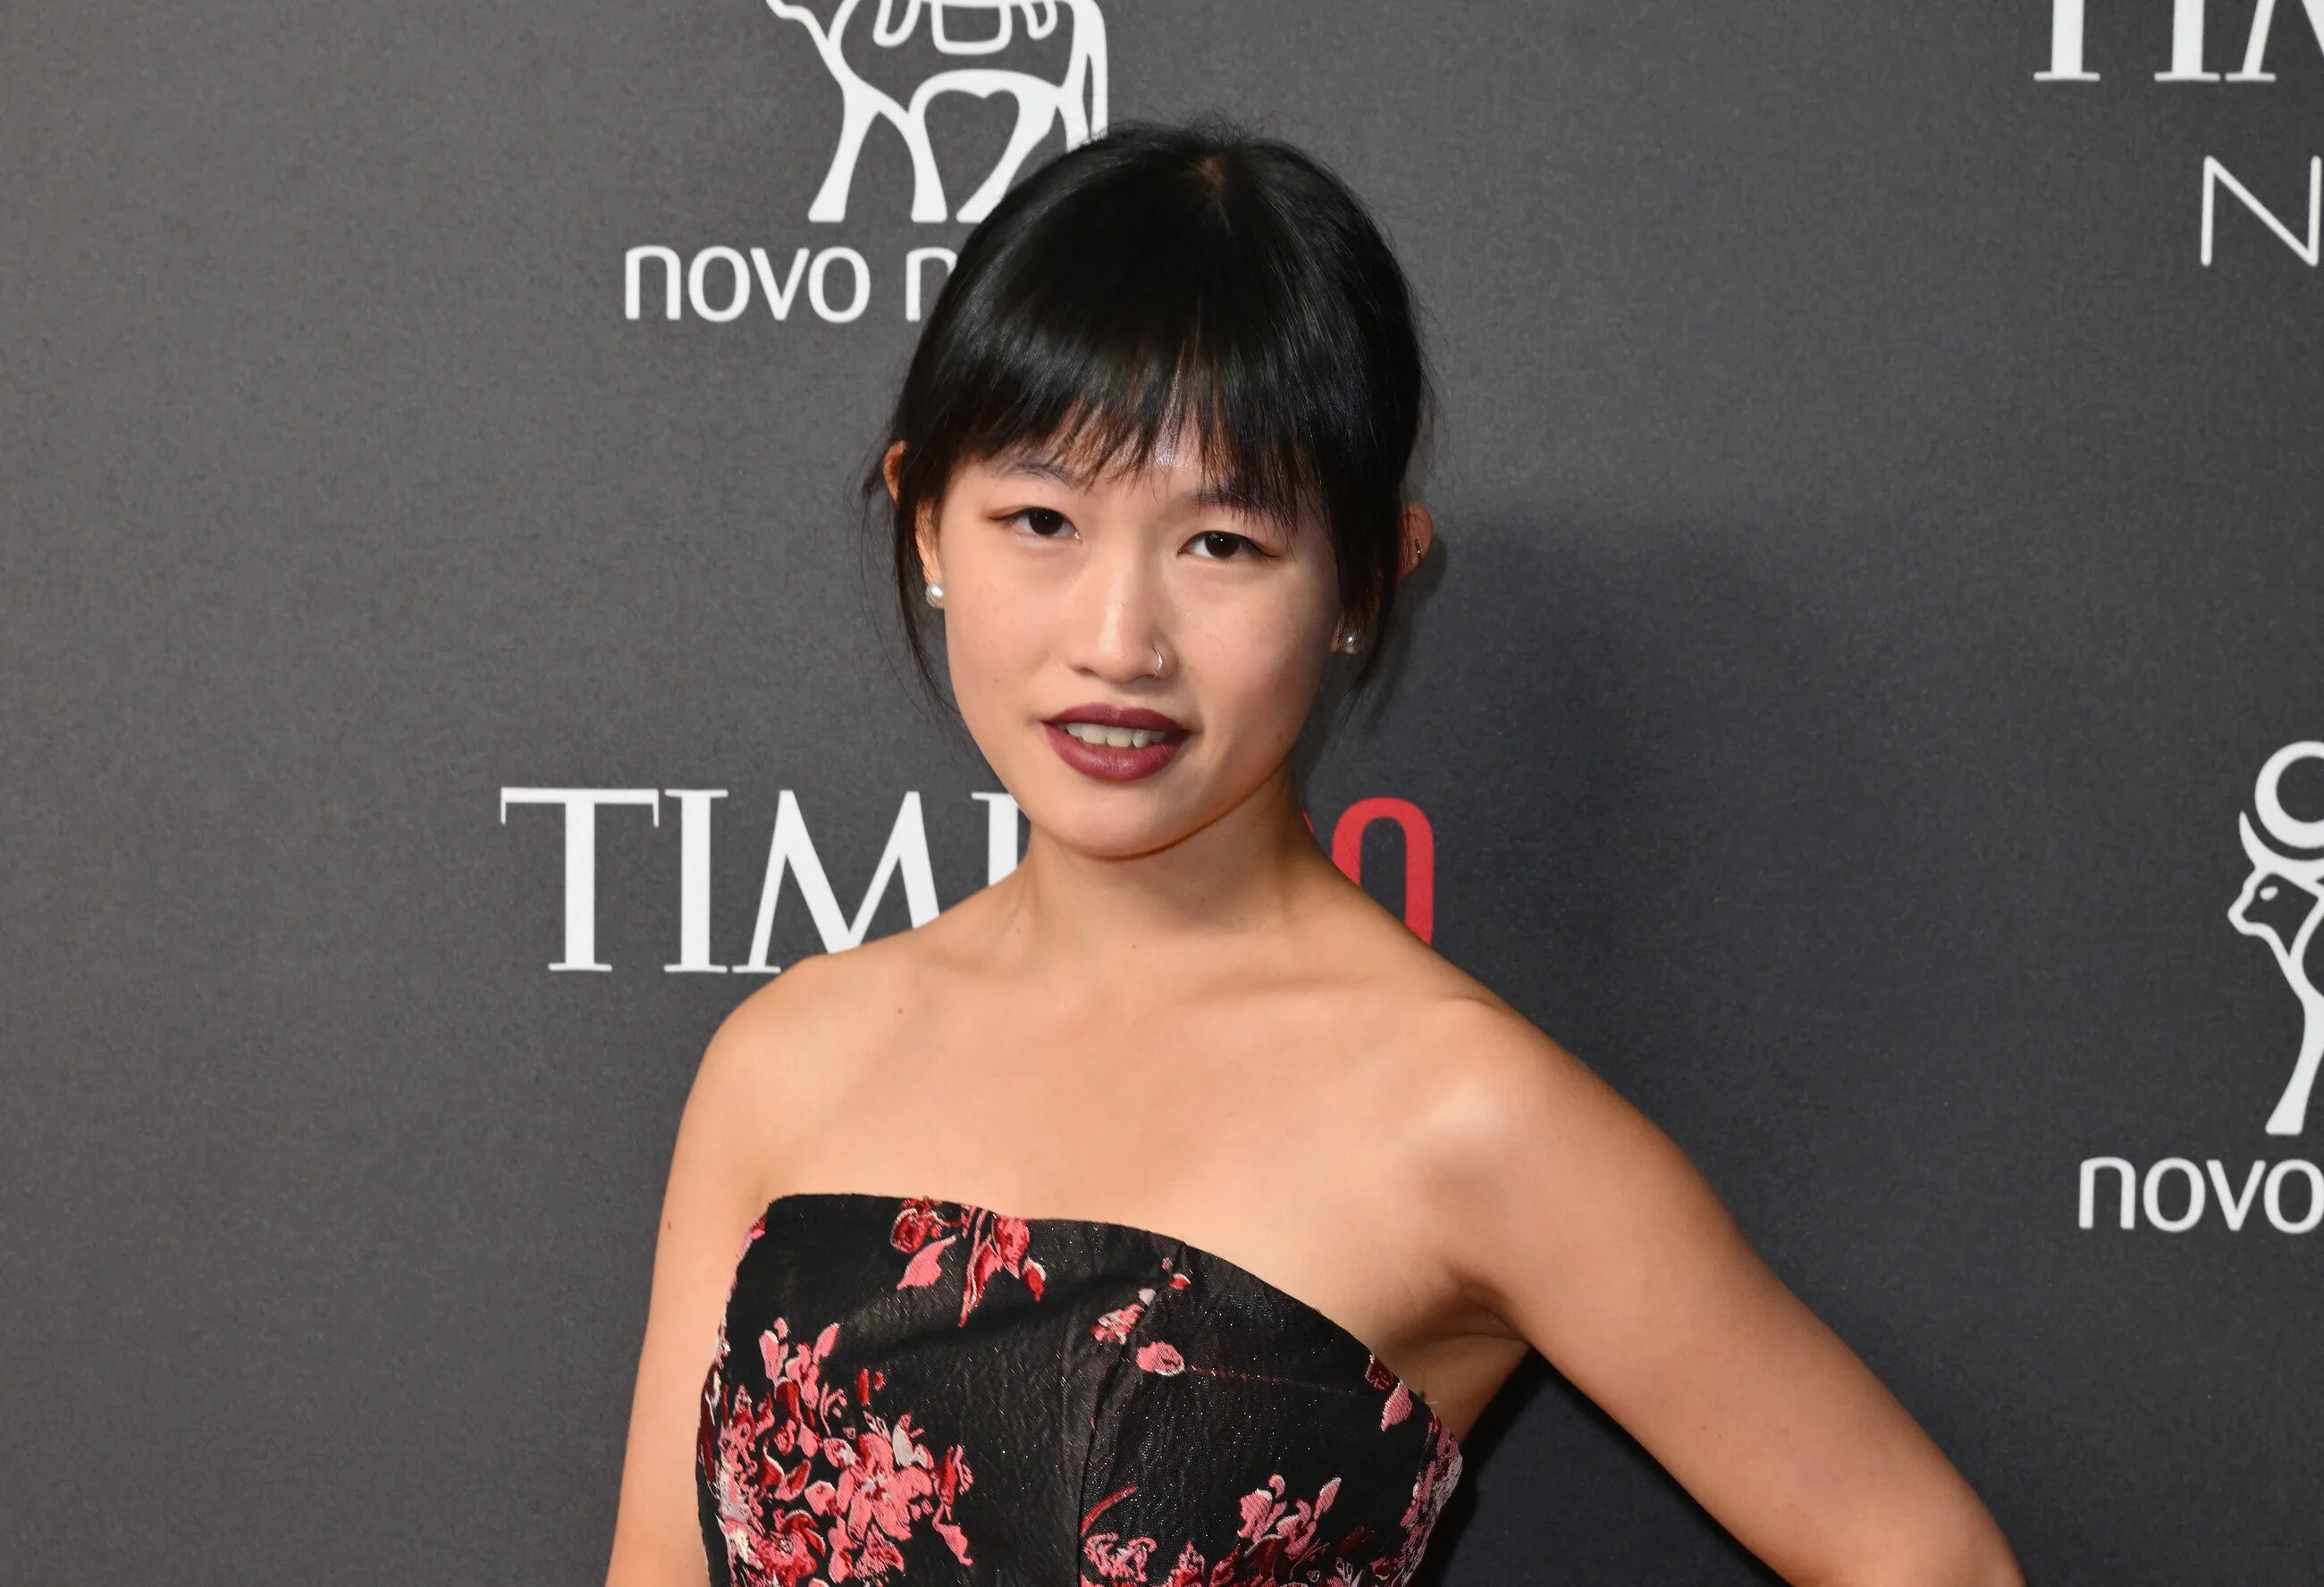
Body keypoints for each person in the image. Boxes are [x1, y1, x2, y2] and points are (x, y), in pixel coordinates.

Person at [603, 115, 2024, 1587]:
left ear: (1363, 579)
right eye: (1042, 518)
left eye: (1221, 544)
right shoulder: (788, 1060)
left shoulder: (1462, 1112)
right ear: (929, 530)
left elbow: (1928, 1561)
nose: (1116, 642)